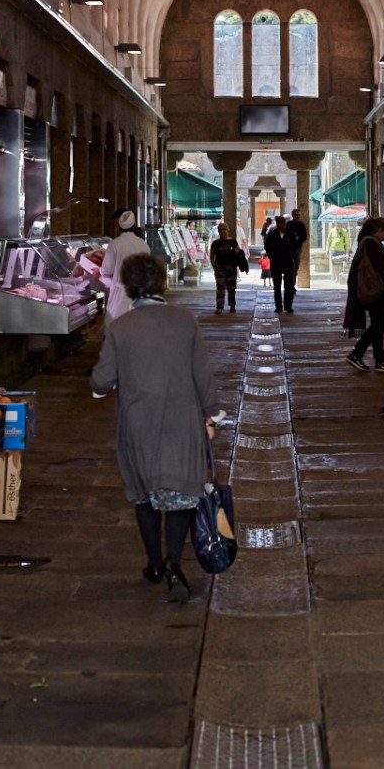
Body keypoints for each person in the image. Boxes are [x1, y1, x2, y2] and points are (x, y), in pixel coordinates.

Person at [91, 253, 223, 603]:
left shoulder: (120, 327)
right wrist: (211, 416)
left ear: (129, 286)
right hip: (183, 420)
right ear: (162, 283)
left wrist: (103, 387)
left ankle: (153, 563)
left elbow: (101, 381)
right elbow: (203, 375)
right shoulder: (185, 321)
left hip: (139, 424)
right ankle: (173, 562)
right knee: (181, 494)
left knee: (145, 494)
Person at [344, 216, 384, 376]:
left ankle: (379, 360)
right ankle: (358, 354)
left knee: (378, 324)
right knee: (377, 325)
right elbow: (382, 263)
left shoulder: (371, 242)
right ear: (379, 230)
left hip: (370, 288)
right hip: (373, 289)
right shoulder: (370, 242)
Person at [99, 210, 150, 329]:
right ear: (134, 225)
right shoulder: (144, 245)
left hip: (120, 295)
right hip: (139, 294)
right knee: (136, 327)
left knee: (116, 327)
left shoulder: (115, 244)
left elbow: (107, 269)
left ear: (118, 225)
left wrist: (99, 271)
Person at [209, 222, 244, 313]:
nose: (222, 231)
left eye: (224, 229)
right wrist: (214, 266)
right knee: (220, 288)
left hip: (231, 267)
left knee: (231, 288)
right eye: (220, 230)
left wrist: (238, 255)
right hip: (220, 267)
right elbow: (212, 255)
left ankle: (232, 305)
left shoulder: (233, 242)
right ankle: (219, 307)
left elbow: (237, 252)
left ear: (228, 230)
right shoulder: (215, 243)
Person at [265, 215, 296, 313]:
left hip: (288, 262)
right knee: (277, 286)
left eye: (283, 224)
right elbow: (267, 247)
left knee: (289, 285)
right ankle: (278, 306)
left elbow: (294, 247)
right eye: (280, 224)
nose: (282, 226)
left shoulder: (290, 234)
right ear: (277, 224)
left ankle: (288, 306)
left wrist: (290, 255)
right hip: (276, 262)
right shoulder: (272, 235)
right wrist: (272, 257)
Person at [286, 208, 308, 283]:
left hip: (297, 248)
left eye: (298, 215)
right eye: (296, 215)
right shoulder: (289, 224)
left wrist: (298, 238)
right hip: (289, 249)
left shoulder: (301, 225)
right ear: (292, 215)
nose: (297, 216)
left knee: (296, 265)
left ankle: (293, 282)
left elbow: (304, 237)